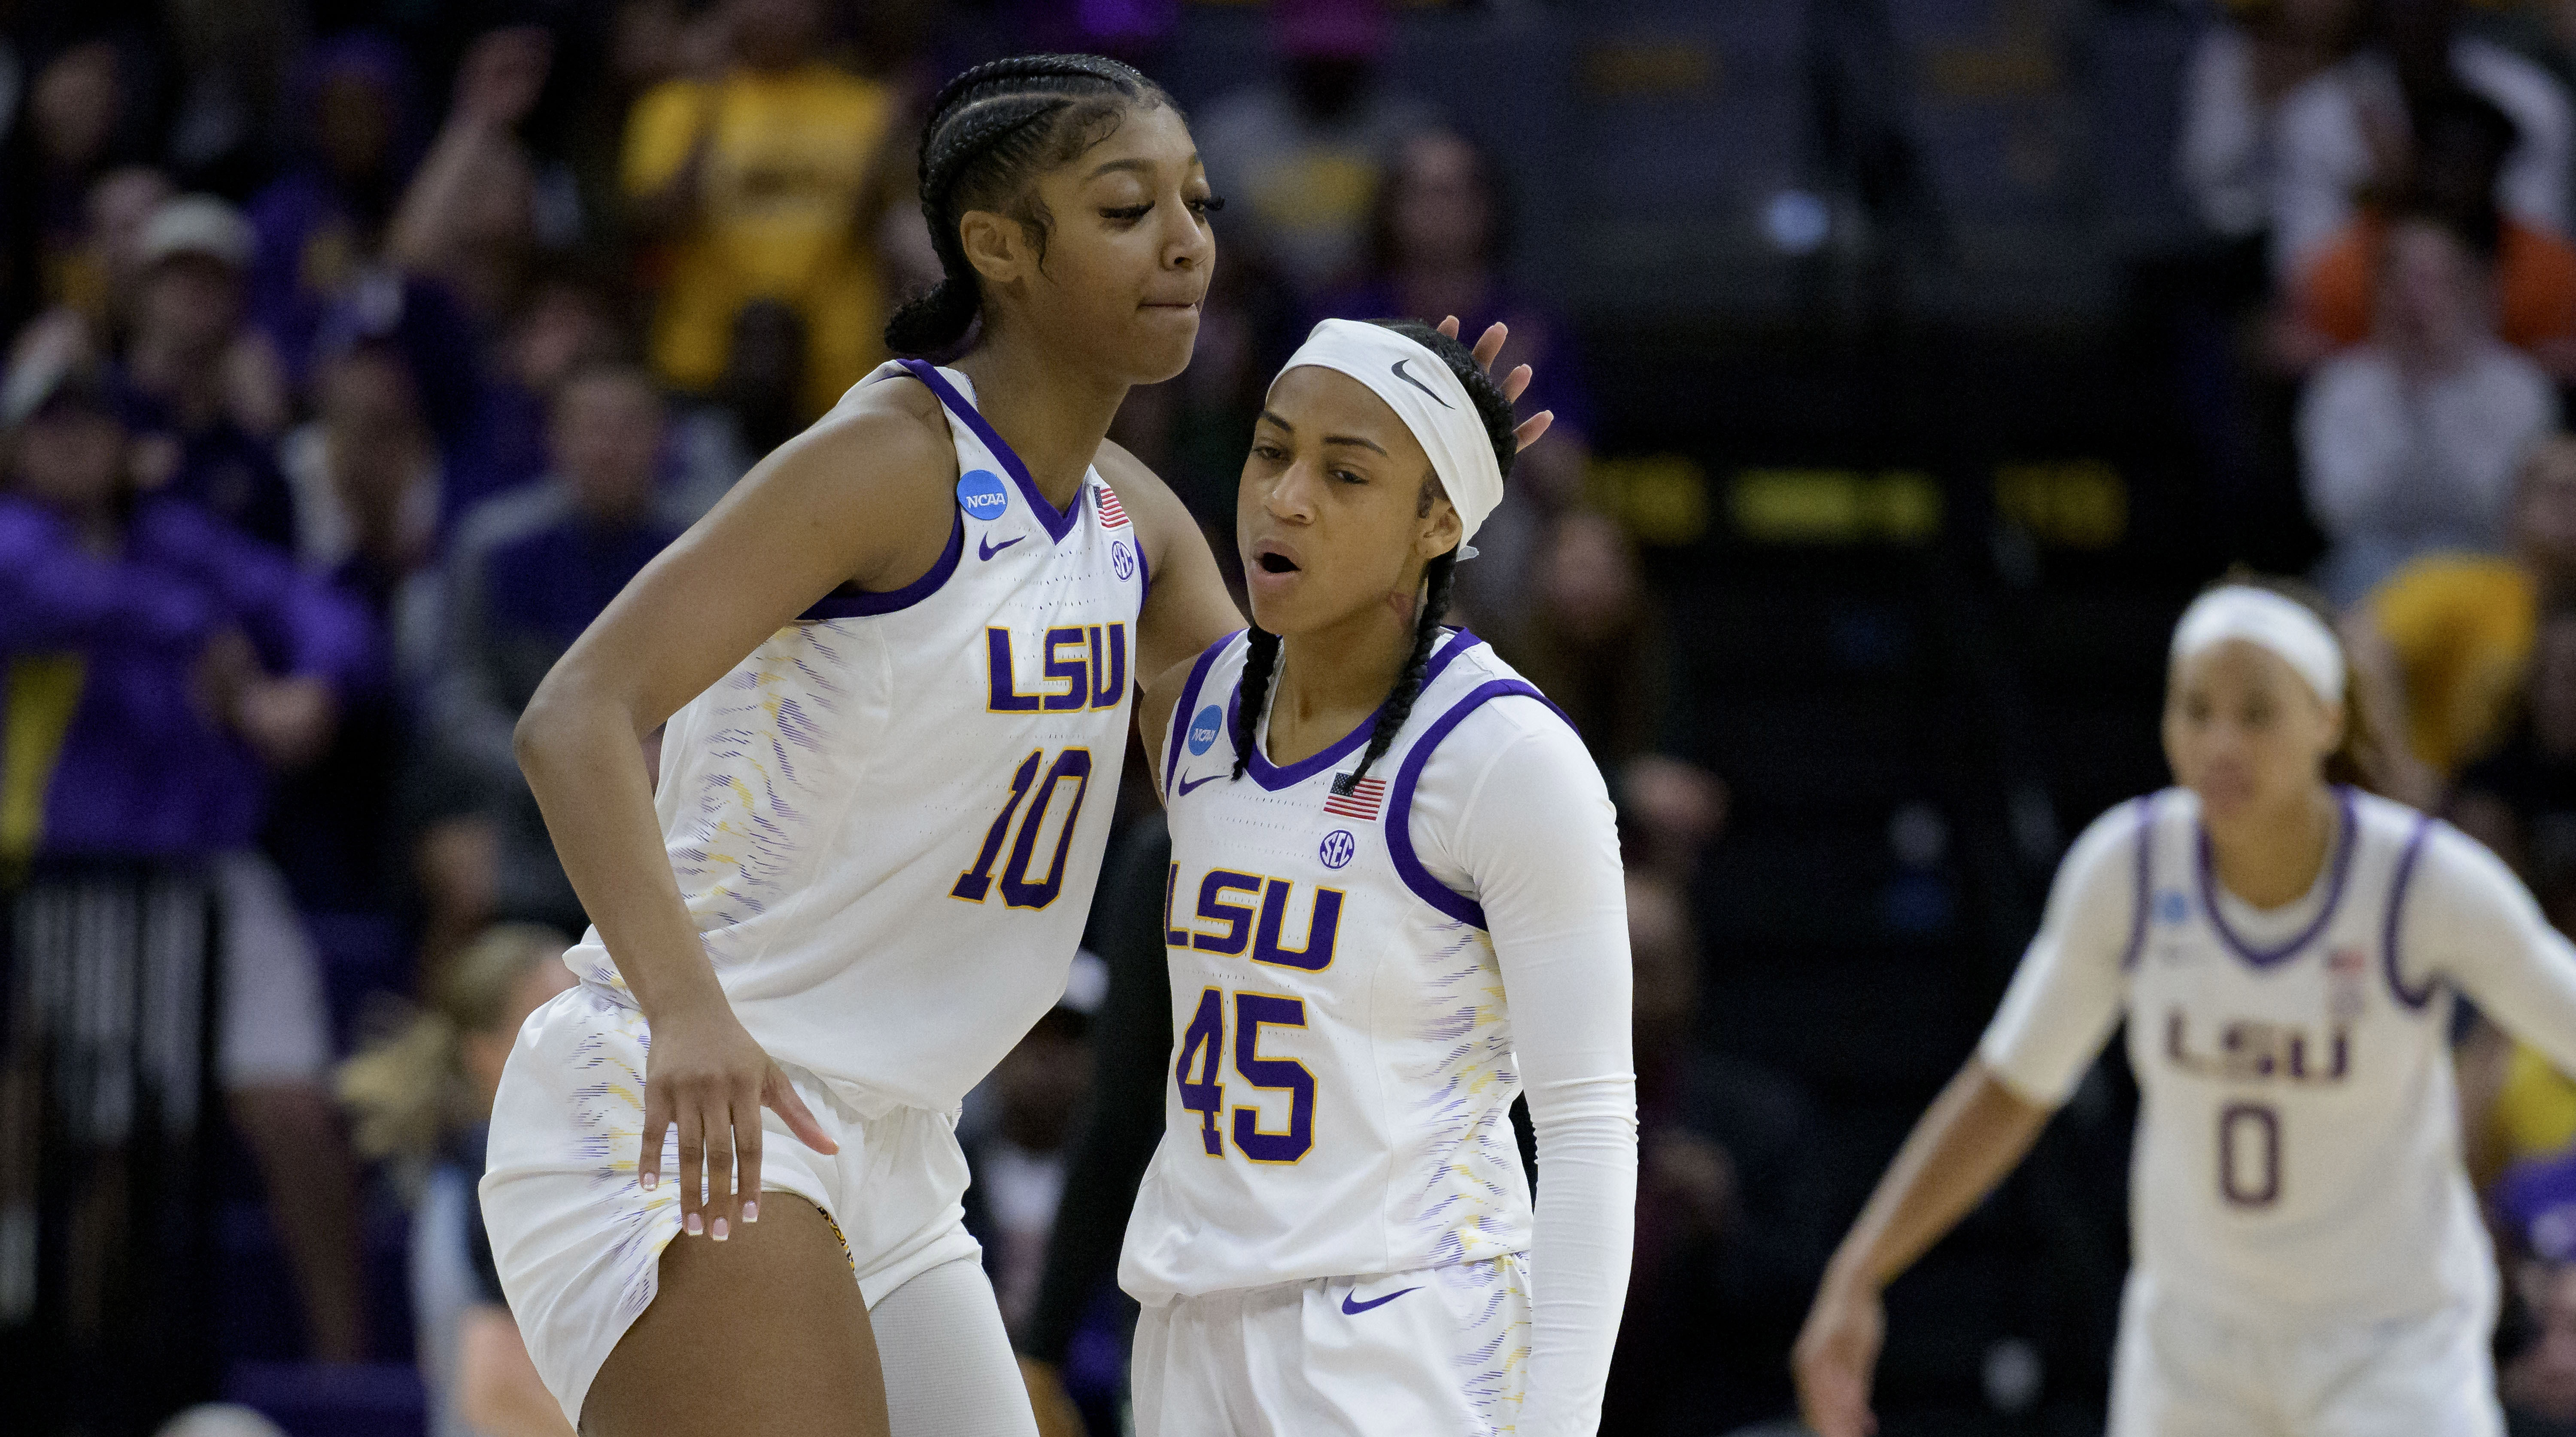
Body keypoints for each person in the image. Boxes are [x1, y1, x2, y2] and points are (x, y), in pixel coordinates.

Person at [479, 54, 1242, 1437]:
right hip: (693, 1095)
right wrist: (690, 1009)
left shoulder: (1134, 520)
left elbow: (1278, 787)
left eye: (1196, 200)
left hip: (893, 1141)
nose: (1185, 238)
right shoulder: (892, 460)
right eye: (1127, 208)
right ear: (998, 246)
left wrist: (1426, 487)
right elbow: (577, 712)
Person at [1793, 581, 2576, 1437]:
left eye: (2255, 714)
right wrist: (1860, 1270)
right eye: (2195, 710)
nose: (2220, 743)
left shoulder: (2419, 879)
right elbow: (2011, 1087)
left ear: (2326, 720)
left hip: (2389, 1337)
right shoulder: (2127, 868)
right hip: (2195, 1341)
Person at [1118, 315, 1633, 1434]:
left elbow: (1589, 1125)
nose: (1285, 498)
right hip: (1187, 1324)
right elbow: (1088, 479)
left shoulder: (1507, 758)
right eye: (1271, 449)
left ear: (1439, 521)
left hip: (1405, 1336)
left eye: (1345, 472)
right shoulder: (1202, 704)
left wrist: (1562, 1424)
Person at [337, 922, 576, 1437]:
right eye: (556, 1020)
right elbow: (497, 1393)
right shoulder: (496, 1176)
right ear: (485, 1054)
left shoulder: (462, 1173)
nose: (590, 1039)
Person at [619, 0, 899, 420]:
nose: (776, 9)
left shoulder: (872, 107)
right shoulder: (675, 105)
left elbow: (892, 231)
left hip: (838, 372)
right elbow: (654, 224)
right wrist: (709, 102)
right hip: (703, 363)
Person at [2299, 213, 2558, 604]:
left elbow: (2502, 511)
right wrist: (2410, 391)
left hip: (2484, 566)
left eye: (2431, 281)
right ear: (2379, 291)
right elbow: (2338, 514)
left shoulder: (2520, 387)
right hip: (2371, 571)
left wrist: (2438, 391)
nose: (2414, 300)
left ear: (2471, 289)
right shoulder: (2340, 387)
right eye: (2401, 281)